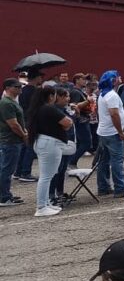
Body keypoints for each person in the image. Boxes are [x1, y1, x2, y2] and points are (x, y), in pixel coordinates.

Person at [27, 86, 73, 217]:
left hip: (45, 142)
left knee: (48, 175)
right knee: (46, 176)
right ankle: (41, 206)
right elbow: (67, 122)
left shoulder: (39, 108)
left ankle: (45, 203)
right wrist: (68, 123)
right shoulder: (49, 108)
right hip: (50, 144)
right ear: (51, 96)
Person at [95, 71, 124, 198]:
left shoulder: (103, 94)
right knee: (116, 161)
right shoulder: (112, 96)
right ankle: (120, 188)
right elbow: (114, 114)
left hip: (103, 132)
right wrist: (120, 131)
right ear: (113, 80)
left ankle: (103, 187)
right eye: (118, 76)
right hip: (112, 133)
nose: (120, 78)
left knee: (104, 161)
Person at [0, 79, 27, 207]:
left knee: (7, 168)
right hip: (10, 140)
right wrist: (24, 135)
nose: (20, 89)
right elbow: (13, 124)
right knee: (7, 169)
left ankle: (6, 194)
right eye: (17, 87)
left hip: (12, 140)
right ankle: (4, 197)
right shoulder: (6, 103)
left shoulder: (11, 102)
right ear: (8, 88)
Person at [49, 88, 76, 206]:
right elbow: (66, 124)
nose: (68, 99)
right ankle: (52, 195)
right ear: (58, 97)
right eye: (66, 96)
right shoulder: (55, 110)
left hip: (66, 143)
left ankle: (59, 192)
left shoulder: (64, 109)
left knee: (62, 170)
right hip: (59, 143)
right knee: (56, 170)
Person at [68, 74, 93, 168]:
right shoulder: (75, 92)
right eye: (83, 79)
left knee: (81, 143)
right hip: (81, 120)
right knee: (86, 143)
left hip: (83, 119)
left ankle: (71, 162)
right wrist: (88, 101)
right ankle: (72, 162)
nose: (85, 81)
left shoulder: (79, 91)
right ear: (77, 80)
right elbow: (74, 106)